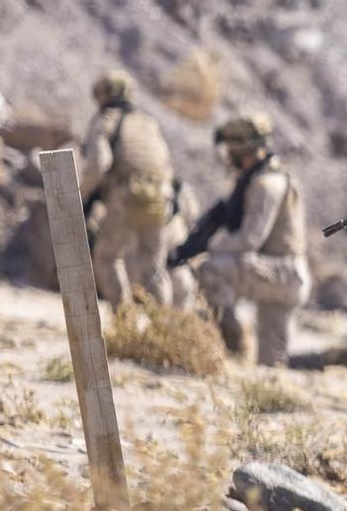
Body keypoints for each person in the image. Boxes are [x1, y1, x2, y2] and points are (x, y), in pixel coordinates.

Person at [194, 113, 312, 368]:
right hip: (287, 275)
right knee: (272, 363)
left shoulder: (265, 184)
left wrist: (210, 246)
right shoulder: (270, 178)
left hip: (282, 273)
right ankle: (332, 359)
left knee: (211, 270)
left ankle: (232, 346)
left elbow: (249, 239)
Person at [79, 70, 177, 307]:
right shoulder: (147, 122)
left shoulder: (105, 121)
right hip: (160, 197)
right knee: (154, 267)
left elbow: (98, 164)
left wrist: (80, 196)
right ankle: (163, 327)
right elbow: (165, 164)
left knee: (108, 257)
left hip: (126, 196)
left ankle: (125, 322)